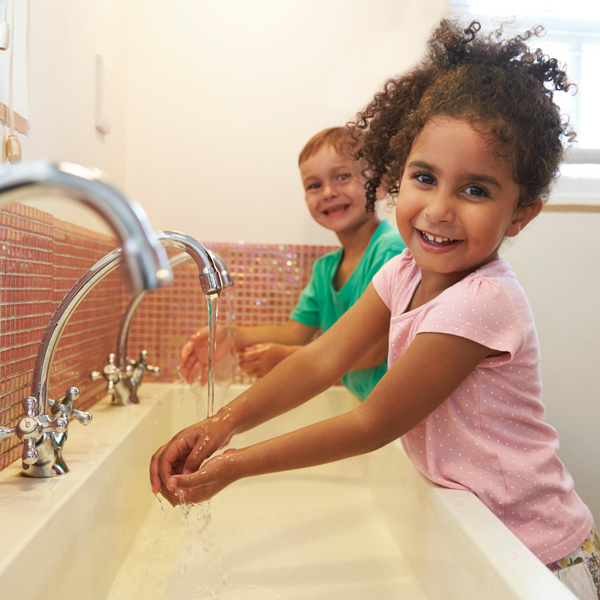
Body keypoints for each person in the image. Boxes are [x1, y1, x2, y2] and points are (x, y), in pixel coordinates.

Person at [151, 19, 599, 598]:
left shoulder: (483, 303)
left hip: (539, 555)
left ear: (520, 214)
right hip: (479, 534)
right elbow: (321, 360)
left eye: (476, 190)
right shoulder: (402, 271)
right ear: (395, 176)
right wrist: (221, 423)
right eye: (424, 177)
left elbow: (373, 421)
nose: (438, 209)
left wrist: (235, 463)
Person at [180, 127, 406, 401]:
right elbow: (294, 332)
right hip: (372, 408)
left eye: (343, 176)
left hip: (401, 411)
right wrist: (232, 336)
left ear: (380, 185)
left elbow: (373, 350)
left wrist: (286, 358)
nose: (328, 192)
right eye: (314, 185)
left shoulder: (392, 251)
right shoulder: (325, 270)